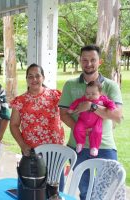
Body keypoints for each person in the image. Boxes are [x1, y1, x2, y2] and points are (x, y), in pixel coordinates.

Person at [59, 44, 123, 200]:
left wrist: (91, 106)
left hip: (105, 146)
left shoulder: (110, 85)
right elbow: (63, 114)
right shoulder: (70, 85)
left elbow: (117, 116)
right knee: (85, 190)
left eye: (93, 60)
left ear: (99, 61)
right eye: (85, 60)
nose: (88, 64)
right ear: (80, 61)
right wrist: (79, 129)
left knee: (107, 191)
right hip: (78, 147)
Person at [10, 63, 65, 190]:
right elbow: (13, 125)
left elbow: (69, 113)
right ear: (26, 79)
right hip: (32, 153)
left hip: (55, 151)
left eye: (37, 76)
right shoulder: (20, 101)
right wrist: (23, 145)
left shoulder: (55, 96)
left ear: (43, 78)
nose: (34, 79)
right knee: (34, 191)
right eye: (30, 76)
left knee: (55, 189)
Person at [68, 81, 116, 157]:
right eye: (87, 93)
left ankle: (94, 147)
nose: (90, 96)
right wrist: (71, 108)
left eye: (93, 94)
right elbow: (76, 102)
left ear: (100, 93)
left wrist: (111, 108)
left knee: (97, 132)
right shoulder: (83, 99)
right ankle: (80, 143)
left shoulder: (103, 99)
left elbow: (110, 103)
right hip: (82, 120)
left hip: (96, 122)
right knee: (77, 129)